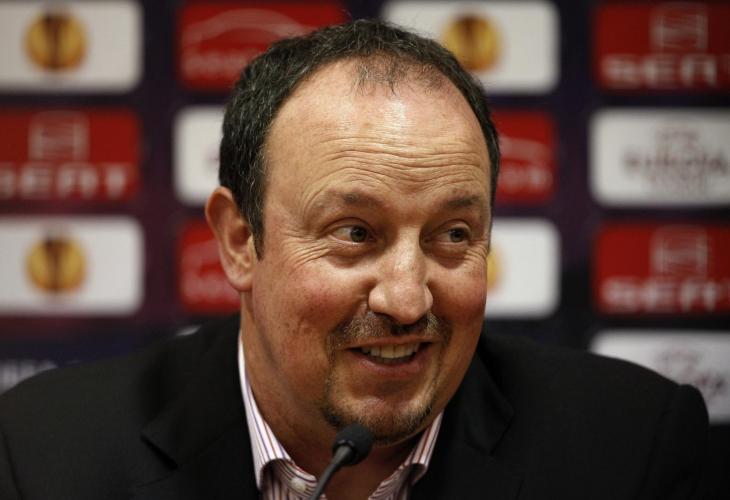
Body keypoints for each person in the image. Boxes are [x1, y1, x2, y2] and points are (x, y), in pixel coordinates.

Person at [0, 19, 709, 500]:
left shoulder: (630, 448)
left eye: (453, 236)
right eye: (355, 233)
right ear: (240, 240)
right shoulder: (48, 455)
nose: (406, 299)